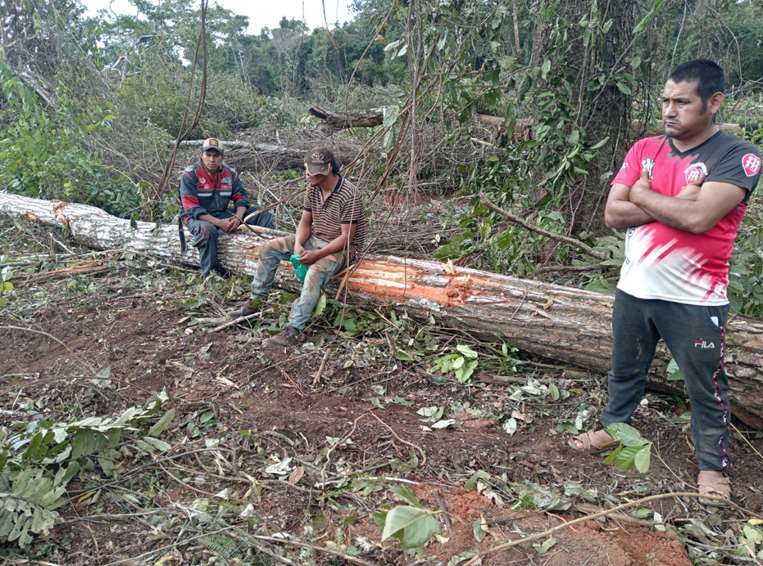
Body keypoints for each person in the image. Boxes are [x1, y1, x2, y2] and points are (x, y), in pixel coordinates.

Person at [568, 59, 760, 500]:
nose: (669, 111)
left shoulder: (737, 155)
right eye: (665, 101)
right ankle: (614, 429)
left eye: (682, 102)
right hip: (635, 289)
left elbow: (699, 218)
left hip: (695, 297)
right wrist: (671, 199)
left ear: (713, 102)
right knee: (624, 370)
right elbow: (613, 214)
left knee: (705, 385)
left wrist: (642, 193)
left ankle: (713, 468)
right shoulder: (644, 149)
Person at [229, 147, 367, 347]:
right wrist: (298, 246)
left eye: (313, 170)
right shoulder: (313, 188)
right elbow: (305, 222)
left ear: (328, 168)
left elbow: (346, 238)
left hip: (342, 247)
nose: (308, 174)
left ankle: (294, 329)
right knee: (269, 248)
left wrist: (317, 255)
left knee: (314, 273)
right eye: (307, 169)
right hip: (316, 238)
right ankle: (255, 303)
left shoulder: (349, 194)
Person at [179, 137, 275, 277]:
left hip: (222, 213)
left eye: (216, 155)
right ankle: (211, 273)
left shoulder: (229, 173)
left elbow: (241, 197)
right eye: (208, 155)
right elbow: (192, 208)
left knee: (261, 212)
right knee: (207, 230)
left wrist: (238, 217)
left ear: (222, 157)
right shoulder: (190, 175)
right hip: (195, 217)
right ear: (202, 155)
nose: (212, 159)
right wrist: (219, 223)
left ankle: (269, 253)